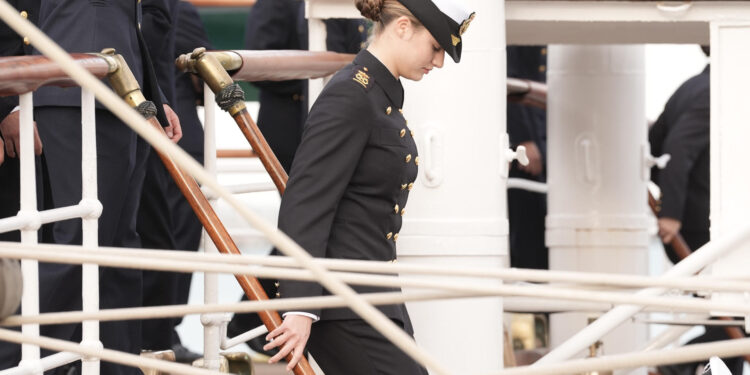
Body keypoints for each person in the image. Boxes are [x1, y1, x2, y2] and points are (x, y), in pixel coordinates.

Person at [261, 0, 475, 373]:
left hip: (372, 295)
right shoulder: (352, 95)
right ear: (404, 27)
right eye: (436, 47)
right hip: (339, 302)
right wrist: (300, 307)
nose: (438, 62)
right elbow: (307, 201)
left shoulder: (378, 94)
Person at [0, 1, 181, 374]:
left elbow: (130, 16)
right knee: (82, 244)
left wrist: (152, 94)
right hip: (79, 87)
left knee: (118, 251)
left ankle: (116, 366)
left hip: (120, 86)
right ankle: (11, 358)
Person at [226, 0, 367, 355]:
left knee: (314, 222)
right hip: (292, 126)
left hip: (330, 121)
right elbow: (261, 58)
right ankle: (252, 317)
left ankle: (254, 316)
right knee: (308, 219)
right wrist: (321, 74)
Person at [650, 46, 745, 375]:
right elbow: (676, 147)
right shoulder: (716, 91)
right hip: (699, 231)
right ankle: (671, 369)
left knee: (731, 316)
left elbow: (653, 144)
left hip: (697, 227)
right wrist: (671, 213)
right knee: (736, 316)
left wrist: (664, 199)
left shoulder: (691, 87)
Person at [138, 0, 210, 362]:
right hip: (159, 128)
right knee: (162, 237)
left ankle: (161, 330)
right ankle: (156, 332)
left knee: (174, 238)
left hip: (171, 129)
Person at [506, 45, 548, 270]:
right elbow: (509, 77)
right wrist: (524, 138)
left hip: (546, 147)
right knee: (526, 229)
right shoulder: (518, 40)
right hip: (523, 152)